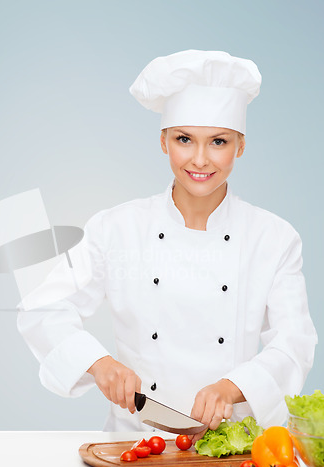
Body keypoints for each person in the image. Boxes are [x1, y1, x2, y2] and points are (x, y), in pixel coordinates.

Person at [16, 50, 317, 440]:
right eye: (184, 139)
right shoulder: (116, 228)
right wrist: (100, 362)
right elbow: (42, 308)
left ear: (240, 146)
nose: (200, 159)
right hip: (135, 442)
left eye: (219, 142)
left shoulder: (274, 238)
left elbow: (295, 342)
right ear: (163, 142)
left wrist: (232, 387)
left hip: (230, 447)